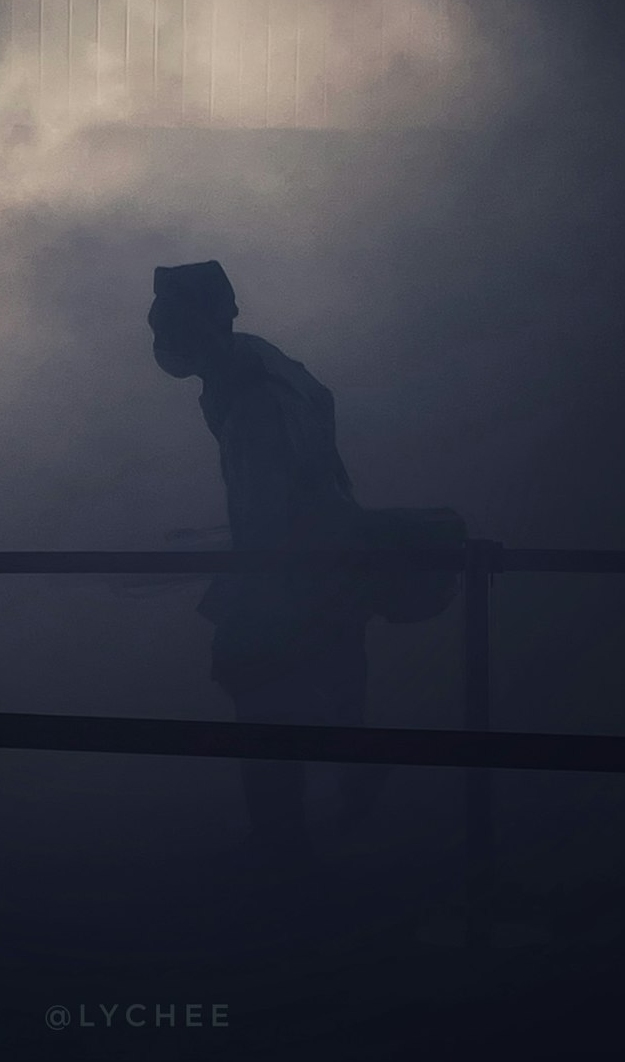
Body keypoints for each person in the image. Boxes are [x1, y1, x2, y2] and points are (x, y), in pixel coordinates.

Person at [148, 260, 379, 862]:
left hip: (298, 572)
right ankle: (354, 822)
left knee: (261, 685)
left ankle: (283, 845)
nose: (161, 341)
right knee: (332, 693)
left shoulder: (250, 397)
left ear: (195, 326)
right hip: (331, 556)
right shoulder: (266, 367)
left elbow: (267, 510)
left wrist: (243, 591)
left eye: (168, 325)